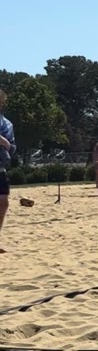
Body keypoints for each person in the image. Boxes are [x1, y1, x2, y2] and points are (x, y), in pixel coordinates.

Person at [0, 90, 15, 253]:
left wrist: (5, 144)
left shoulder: (7, 124)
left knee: (3, 202)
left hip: (0, 168)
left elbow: (12, 147)